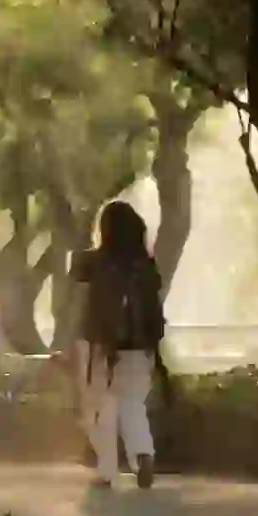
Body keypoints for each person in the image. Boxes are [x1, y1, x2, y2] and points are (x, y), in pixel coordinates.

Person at [64, 200, 165, 490]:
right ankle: (143, 454)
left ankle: (107, 471)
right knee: (132, 405)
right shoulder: (146, 265)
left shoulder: (94, 261)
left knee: (100, 409)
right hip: (140, 348)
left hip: (102, 348)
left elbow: (75, 280)